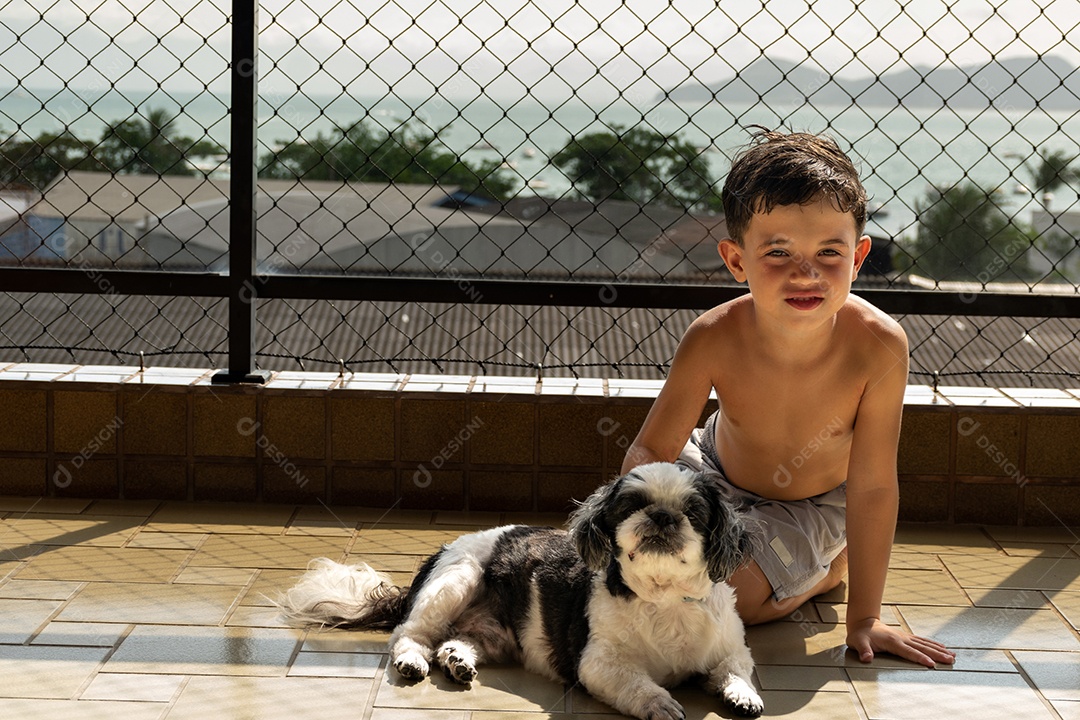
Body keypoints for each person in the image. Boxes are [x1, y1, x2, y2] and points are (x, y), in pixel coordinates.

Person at [622, 129, 955, 668]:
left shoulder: (878, 346)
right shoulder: (713, 335)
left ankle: (826, 569)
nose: (807, 272)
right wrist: (639, 535)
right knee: (635, 567)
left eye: (829, 251)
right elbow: (649, 453)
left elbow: (871, 484)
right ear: (736, 260)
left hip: (812, 504)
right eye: (779, 252)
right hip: (710, 471)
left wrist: (865, 618)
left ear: (859, 255)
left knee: (729, 594)